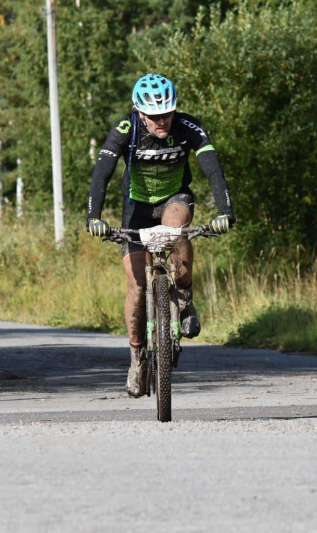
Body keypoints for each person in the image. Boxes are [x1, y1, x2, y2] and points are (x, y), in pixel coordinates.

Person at [86, 73, 236, 397]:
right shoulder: (125, 130)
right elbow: (101, 174)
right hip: (136, 207)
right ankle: (136, 358)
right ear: (140, 113)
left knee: (175, 229)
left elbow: (213, 169)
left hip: (174, 198)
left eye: (167, 113)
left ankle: (184, 297)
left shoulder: (188, 127)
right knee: (137, 286)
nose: (162, 121)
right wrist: (93, 216)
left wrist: (225, 211)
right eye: (154, 116)